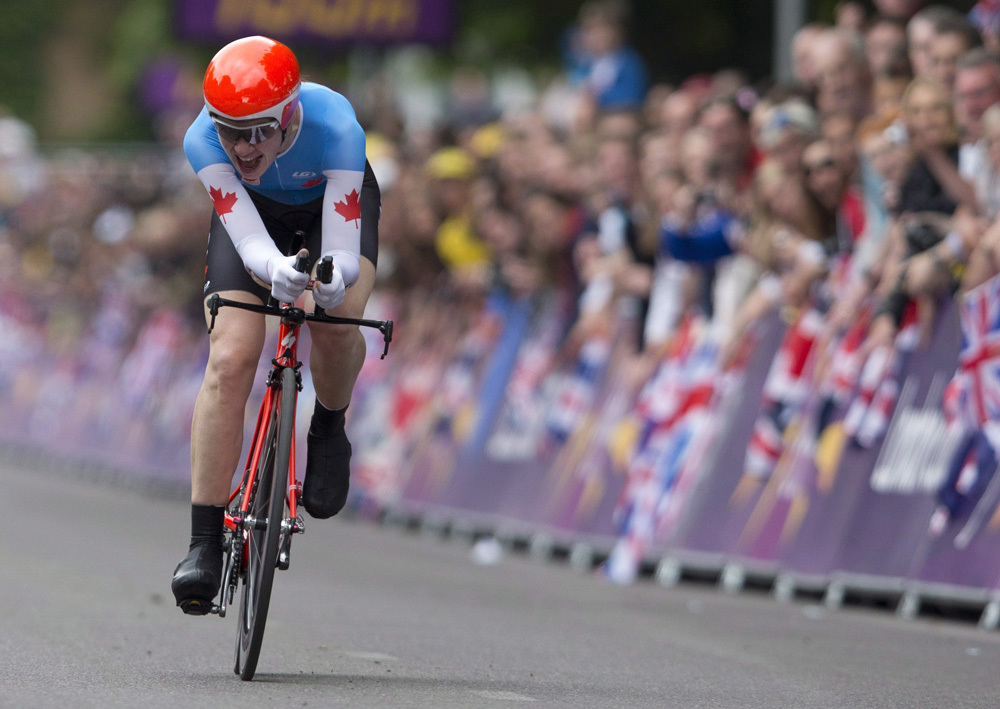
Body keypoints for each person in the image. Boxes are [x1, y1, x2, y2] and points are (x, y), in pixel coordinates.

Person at [170, 36, 381, 614]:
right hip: (253, 221)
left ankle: (329, 429)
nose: (241, 145)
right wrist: (276, 271)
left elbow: (339, 251)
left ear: (290, 114)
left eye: (258, 129)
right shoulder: (201, 141)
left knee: (338, 322)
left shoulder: (336, 123)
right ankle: (204, 542)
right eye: (228, 129)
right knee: (232, 356)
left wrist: (329, 282)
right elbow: (246, 237)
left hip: (328, 209)